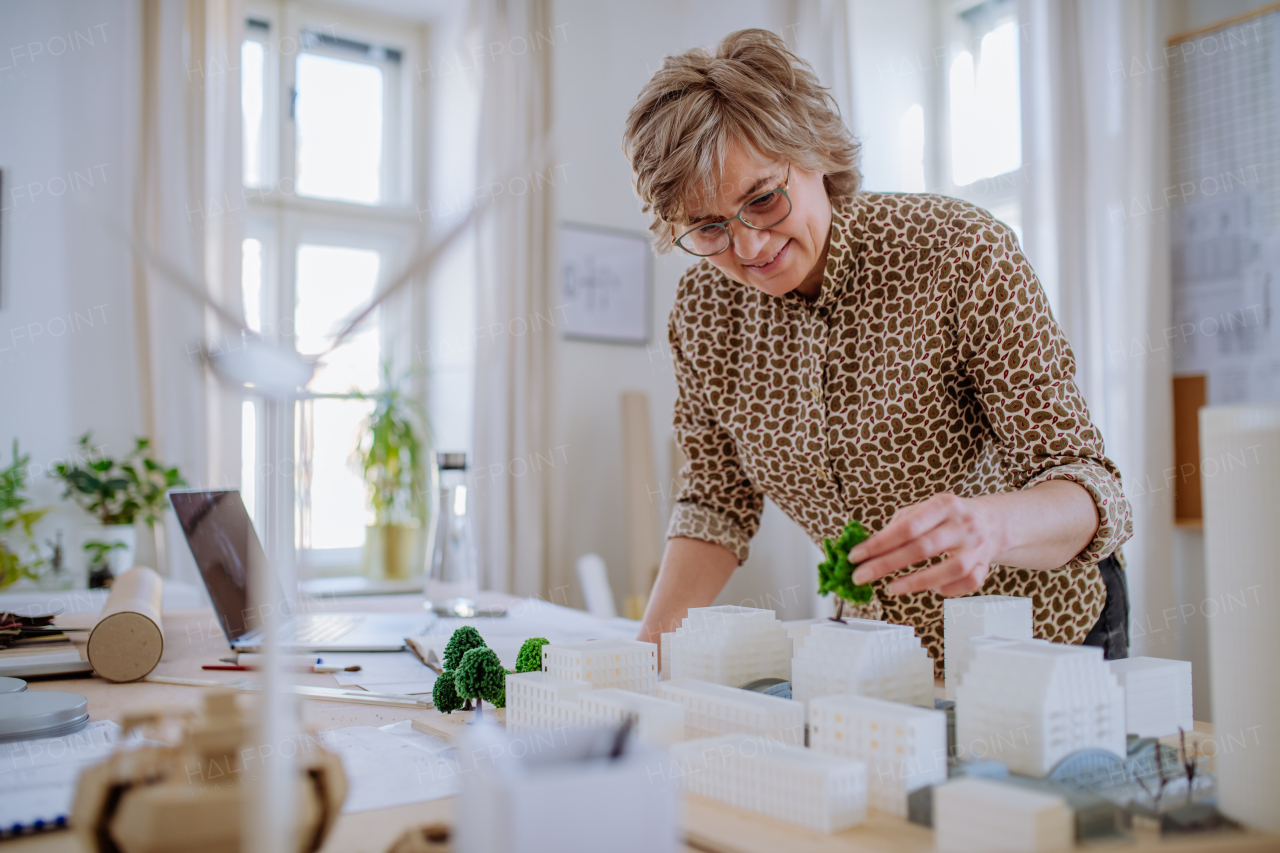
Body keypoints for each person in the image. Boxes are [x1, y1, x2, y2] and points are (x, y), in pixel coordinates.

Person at [622, 29, 1132, 676]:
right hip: (879, 653)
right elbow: (717, 504)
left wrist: (990, 526)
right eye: (709, 228)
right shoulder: (704, 314)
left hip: (1046, 633)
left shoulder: (959, 255)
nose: (748, 248)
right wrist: (639, 665)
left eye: (762, 199)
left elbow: (1093, 491)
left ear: (814, 152)